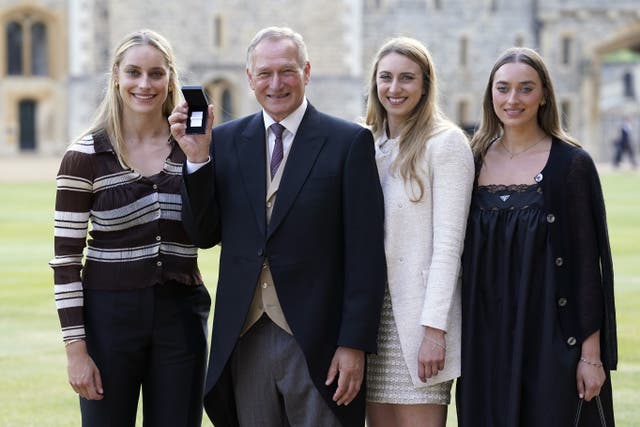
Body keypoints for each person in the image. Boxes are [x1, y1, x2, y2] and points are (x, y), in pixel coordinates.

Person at [169, 26, 386, 427]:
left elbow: (366, 254)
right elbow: (203, 235)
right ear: (249, 79)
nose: (276, 83)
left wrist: (353, 344)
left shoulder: (348, 142)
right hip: (245, 336)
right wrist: (197, 161)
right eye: (264, 73)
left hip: (319, 341)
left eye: (286, 71)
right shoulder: (224, 141)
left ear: (306, 71)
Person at [49, 29, 211, 427]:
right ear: (116, 76)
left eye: (156, 74)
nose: (145, 84)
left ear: (170, 79)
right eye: (134, 72)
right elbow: (66, 261)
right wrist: (76, 350)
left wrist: (200, 160)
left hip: (181, 317)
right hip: (108, 321)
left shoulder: (192, 147)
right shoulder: (85, 156)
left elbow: (209, 233)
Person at [456, 47, 617, 427]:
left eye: (525, 89)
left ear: (544, 93)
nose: (513, 99)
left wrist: (591, 356)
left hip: (550, 333)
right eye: (503, 88)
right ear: (490, 94)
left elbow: (586, 268)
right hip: (484, 335)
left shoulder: (571, 165)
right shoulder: (469, 159)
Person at [363, 37, 474, 427]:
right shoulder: (368, 144)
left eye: (407, 78)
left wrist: (434, 331)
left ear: (425, 85)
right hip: (370, 321)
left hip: (418, 320)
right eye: (386, 78)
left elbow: (449, 246)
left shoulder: (445, 144)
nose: (395, 89)